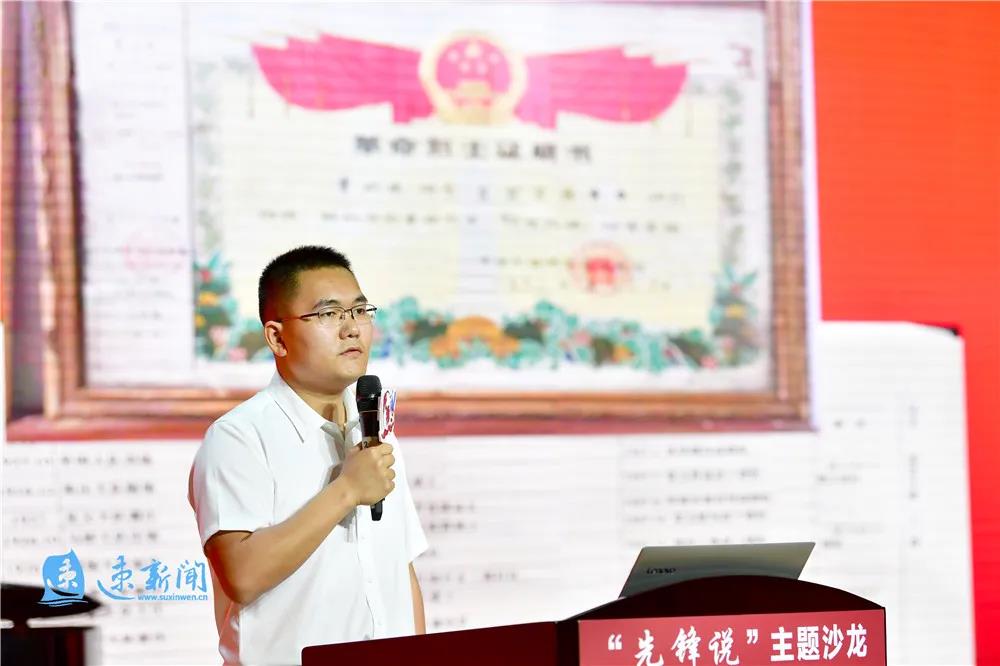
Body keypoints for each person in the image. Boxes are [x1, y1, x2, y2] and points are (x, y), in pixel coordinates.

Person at [188, 245, 427, 665]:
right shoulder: (239, 437)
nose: (352, 329)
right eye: (329, 314)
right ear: (277, 338)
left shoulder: (373, 431)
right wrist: (346, 490)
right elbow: (242, 575)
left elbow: (399, 569)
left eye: (360, 311)